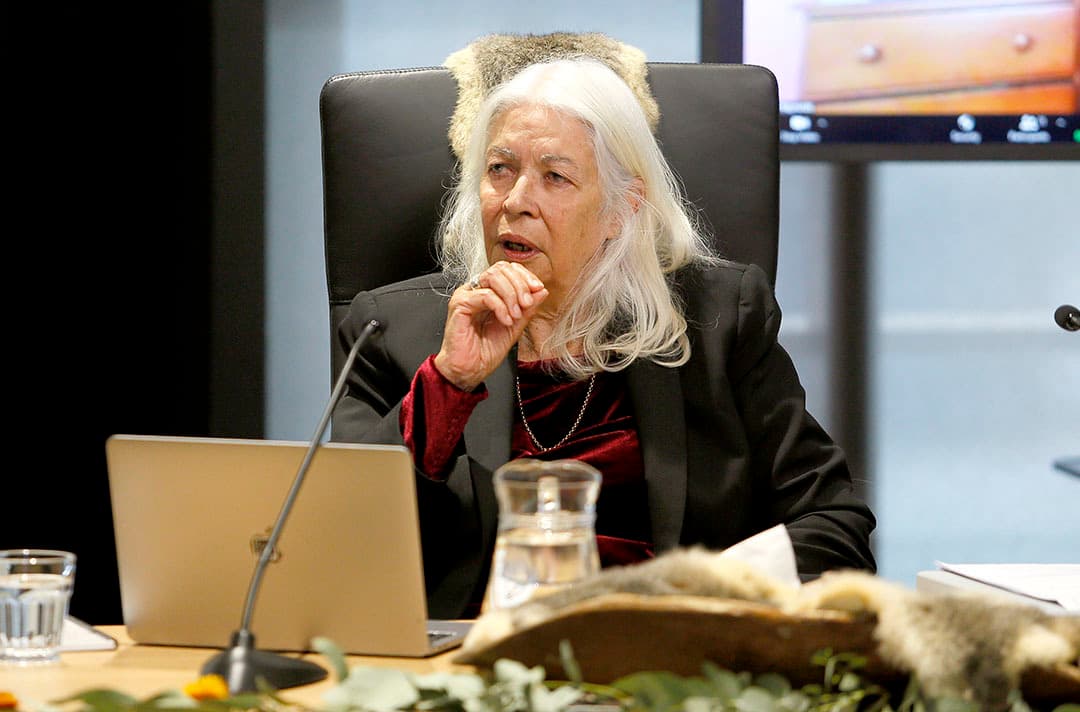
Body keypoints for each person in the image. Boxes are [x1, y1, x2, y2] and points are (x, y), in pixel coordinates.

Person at [331, 56, 876, 619]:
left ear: (622, 207)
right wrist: (448, 381)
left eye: (554, 176)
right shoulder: (394, 330)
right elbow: (337, 540)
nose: (516, 200)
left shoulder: (719, 321)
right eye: (499, 169)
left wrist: (697, 598)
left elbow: (834, 527)